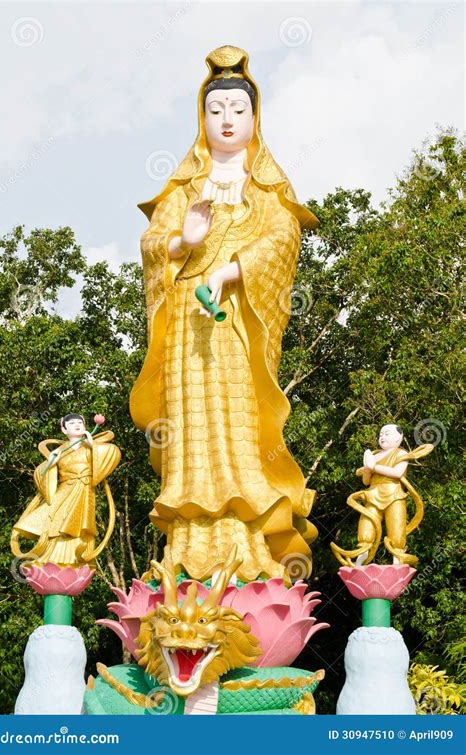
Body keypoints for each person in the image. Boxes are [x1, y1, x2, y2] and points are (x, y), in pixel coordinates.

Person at [130, 45, 320, 582]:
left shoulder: (267, 188)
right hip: (187, 325)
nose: (227, 120)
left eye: (238, 109)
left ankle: (248, 552)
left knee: (238, 424)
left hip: (235, 322)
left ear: (255, 118)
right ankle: (188, 552)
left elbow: (283, 241)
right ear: (202, 118)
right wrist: (179, 241)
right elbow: (151, 243)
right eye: (216, 111)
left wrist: (230, 271)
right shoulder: (186, 186)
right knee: (191, 432)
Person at [11, 413, 120, 567]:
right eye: (72, 423)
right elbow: (41, 474)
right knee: (57, 523)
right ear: (64, 429)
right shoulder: (60, 451)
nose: (77, 425)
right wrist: (51, 463)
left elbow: (112, 453)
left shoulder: (92, 445)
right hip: (65, 491)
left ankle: (77, 558)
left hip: (84, 491)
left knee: (81, 525)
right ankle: (52, 559)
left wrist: (92, 445)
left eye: (80, 423)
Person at [330, 424, 434, 566]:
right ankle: (359, 563)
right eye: (380, 435)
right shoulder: (374, 456)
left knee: (397, 535)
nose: (382, 437)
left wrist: (374, 467)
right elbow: (366, 481)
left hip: (395, 495)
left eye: (386, 434)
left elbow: (397, 473)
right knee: (366, 530)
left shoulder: (401, 454)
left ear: (398, 438)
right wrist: (367, 469)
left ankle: (397, 564)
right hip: (372, 494)